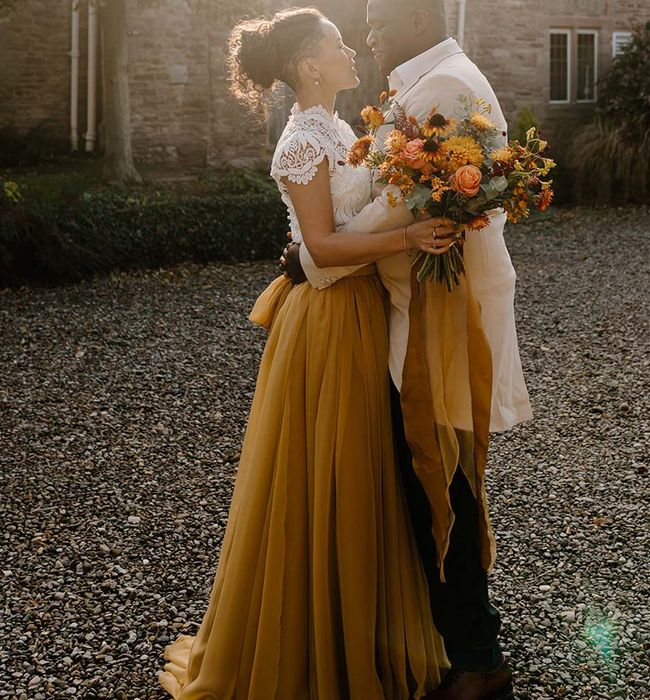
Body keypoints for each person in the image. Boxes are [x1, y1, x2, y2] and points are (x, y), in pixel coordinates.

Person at [158, 7, 459, 699]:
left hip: (357, 310)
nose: (350, 48)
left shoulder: (338, 127)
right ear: (307, 66)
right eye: (336, 43)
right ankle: (313, 641)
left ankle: (354, 622)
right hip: (326, 319)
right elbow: (321, 245)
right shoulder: (300, 139)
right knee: (325, 467)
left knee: (360, 467)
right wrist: (408, 239)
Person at [282, 1, 533, 698]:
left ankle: (478, 661)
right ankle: (467, 639)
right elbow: (400, 191)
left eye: (376, 20)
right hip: (413, 311)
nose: (367, 33)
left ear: (418, 18)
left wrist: (315, 258)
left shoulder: (445, 85)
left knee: (440, 485)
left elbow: (399, 204)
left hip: (441, 318)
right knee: (435, 479)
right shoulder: (427, 83)